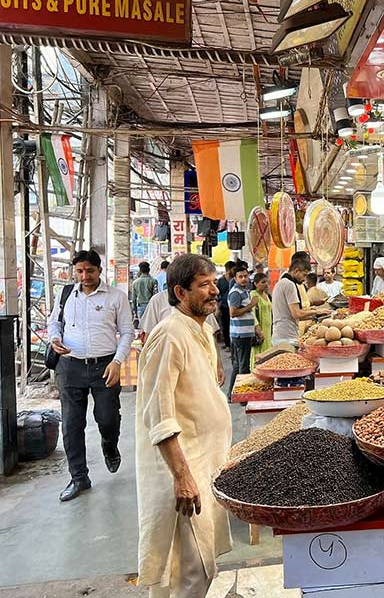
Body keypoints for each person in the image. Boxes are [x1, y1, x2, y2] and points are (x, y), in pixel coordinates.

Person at [135, 254, 232, 598]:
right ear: (180, 291)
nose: (214, 290)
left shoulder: (200, 329)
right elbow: (158, 415)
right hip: (186, 468)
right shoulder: (168, 335)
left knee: (200, 566)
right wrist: (182, 476)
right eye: (204, 285)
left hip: (205, 465)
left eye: (214, 282)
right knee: (190, 575)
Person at [47, 249, 134, 502]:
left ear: (99, 270)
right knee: (72, 424)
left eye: (90, 271)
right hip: (70, 367)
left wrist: (118, 362)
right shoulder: (66, 295)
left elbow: (127, 332)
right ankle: (78, 478)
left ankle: (110, 444)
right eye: (80, 271)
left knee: (107, 418)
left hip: (104, 366)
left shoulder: (116, 297)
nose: (84, 276)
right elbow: (55, 323)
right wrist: (55, 339)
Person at [139, 289, 224, 386]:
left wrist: (218, 364)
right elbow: (149, 339)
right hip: (168, 370)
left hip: (199, 369)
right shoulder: (158, 300)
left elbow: (211, 336)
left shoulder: (200, 299)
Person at [271, 255, 325, 347]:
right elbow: (296, 314)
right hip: (287, 337)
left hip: (279, 335)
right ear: (296, 271)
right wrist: (317, 311)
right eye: (304, 275)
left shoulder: (281, 283)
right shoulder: (289, 285)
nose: (304, 279)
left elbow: (292, 315)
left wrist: (315, 316)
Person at [227, 263, 261, 397]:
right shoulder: (236, 293)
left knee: (238, 364)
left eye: (245, 276)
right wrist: (251, 305)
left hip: (244, 334)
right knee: (243, 366)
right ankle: (242, 396)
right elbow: (233, 313)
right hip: (240, 335)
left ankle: (232, 394)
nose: (244, 279)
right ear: (235, 279)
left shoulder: (244, 291)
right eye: (240, 277)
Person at [249, 273, 273, 369]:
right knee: (258, 351)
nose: (266, 284)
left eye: (267, 282)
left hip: (268, 329)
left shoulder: (266, 295)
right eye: (263, 282)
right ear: (255, 283)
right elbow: (252, 313)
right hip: (260, 328)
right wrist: (257, 328)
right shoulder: (253, 295)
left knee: (267, 350)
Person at [216, 261, 236, 349]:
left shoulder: (235, 280)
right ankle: (228, 344)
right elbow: (216, 295)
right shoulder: (221, 281)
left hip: (234, 307)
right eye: (233, 269)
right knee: (225, 326)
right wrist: (217, 308)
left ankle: (233, 344)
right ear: (229, 269)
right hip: (224, 307)